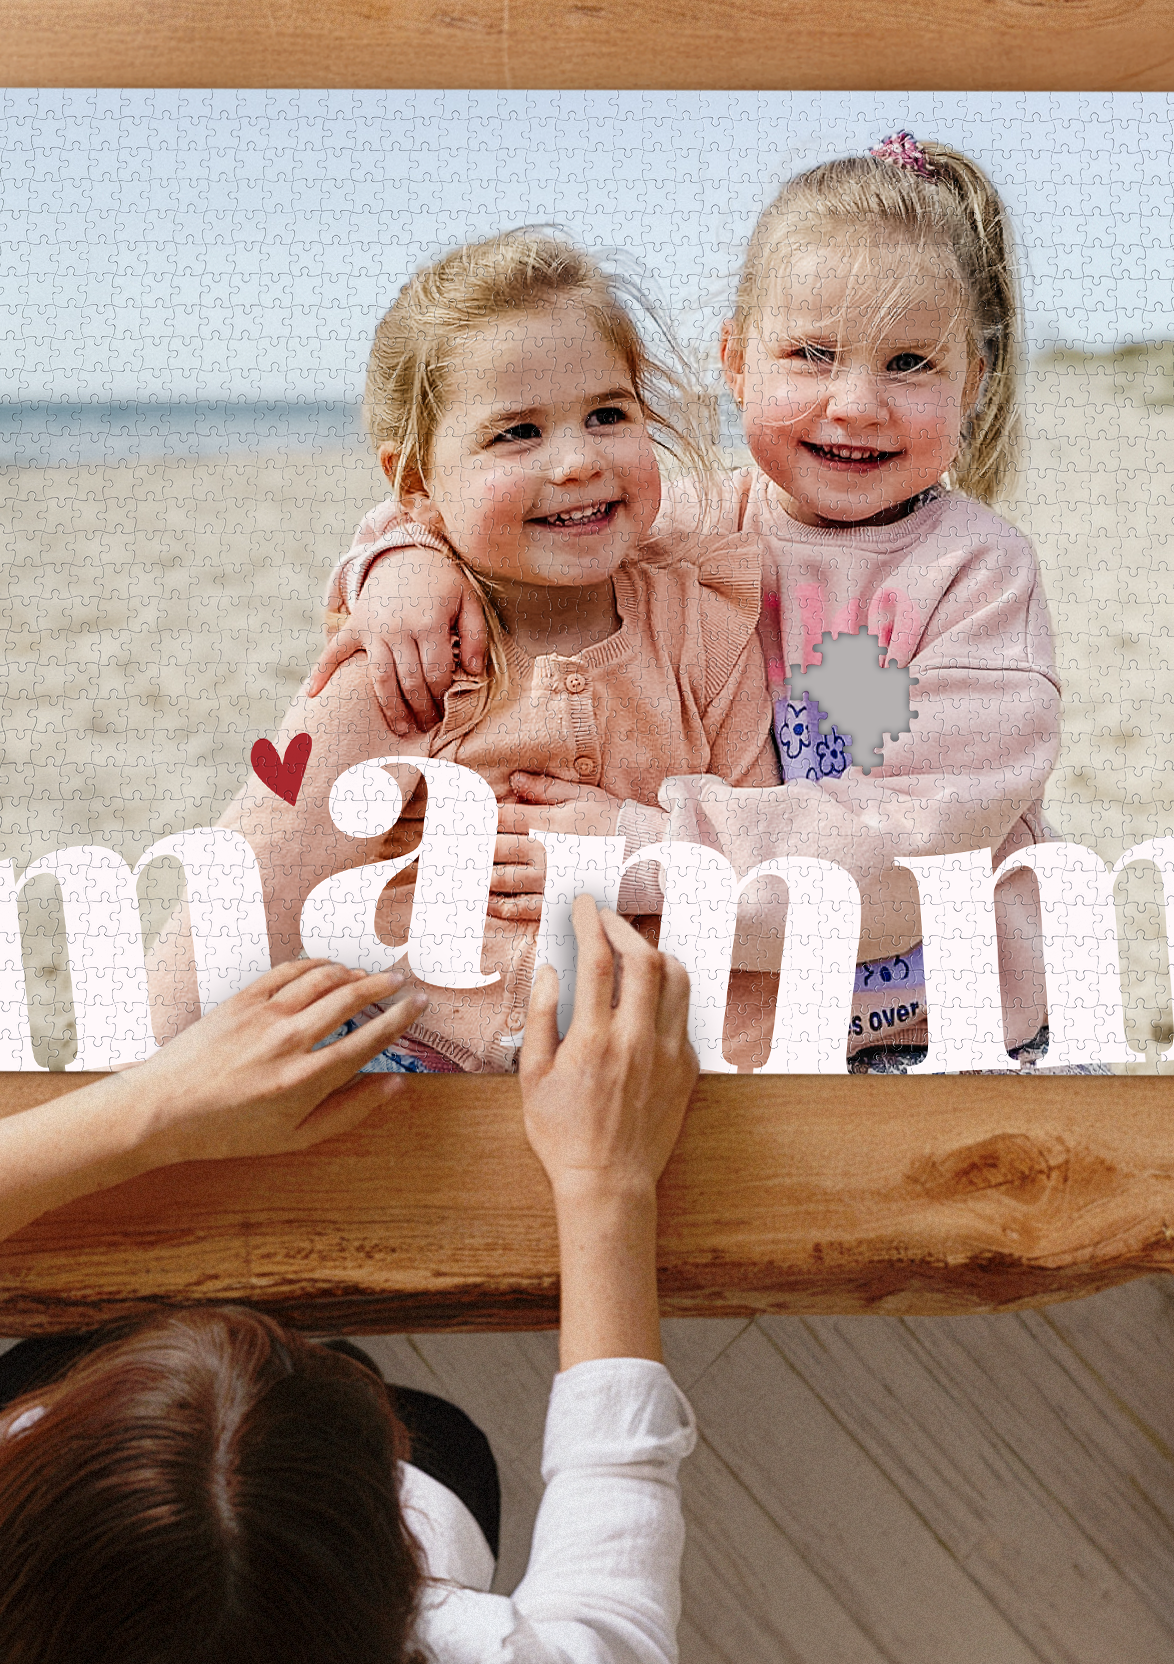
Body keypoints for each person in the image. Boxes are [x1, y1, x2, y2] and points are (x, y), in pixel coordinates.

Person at [0, 896, 703, 1664]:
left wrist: (148, 1107)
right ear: (403, 1601)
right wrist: (607, 1182)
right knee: (450, 1450)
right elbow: (611, 1626)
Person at [308, 136, 1062, 1071]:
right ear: (736, 361)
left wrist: (627, 852)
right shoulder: (695, 519)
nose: (856, 403)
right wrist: (402, 561)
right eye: (812, 354)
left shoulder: (978, 574)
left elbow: (919, 850)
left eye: (910, 363)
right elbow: (498, 509)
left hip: (938, 1018)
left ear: (974, 382)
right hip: (743, 1015)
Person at [149, 228, 777, 1074]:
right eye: (517, 433)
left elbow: (749, 840)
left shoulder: (702, 629)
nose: (579, 460)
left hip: (621, 1069)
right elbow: (253, 879)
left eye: (608, 413)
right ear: (416, 484)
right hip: (409, 1052)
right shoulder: (406, 660)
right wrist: (133, 1087)